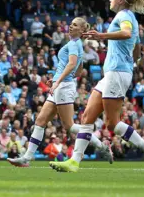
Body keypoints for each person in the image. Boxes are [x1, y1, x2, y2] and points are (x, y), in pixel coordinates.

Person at [50, 0, 144, 173]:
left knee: (112, 123)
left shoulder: (124, 16)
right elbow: (136, 46)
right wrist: (129, 58)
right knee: (87, 117)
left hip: (117, 73)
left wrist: (101, 36)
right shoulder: (129, 17)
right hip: (114, 72)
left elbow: (127, 34)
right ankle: (74, 162)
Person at [7, 17, 113, 167]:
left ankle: (101, 146)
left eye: (75, 25)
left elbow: (71, 65)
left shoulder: (75, 44)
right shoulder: (75, 44)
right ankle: (27, 158)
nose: (71, 27)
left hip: (62, 87)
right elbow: (79, 70)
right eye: (71, 24)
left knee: (69, 126)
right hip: (61, 85)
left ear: (82, 31)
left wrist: (57, 82)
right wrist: (57, 79)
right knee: (40, 121)